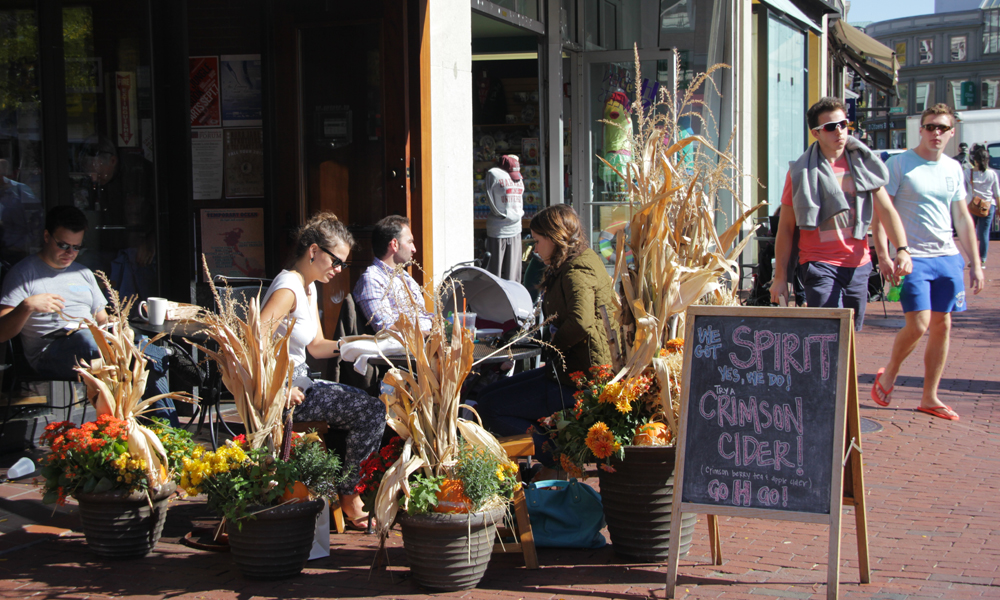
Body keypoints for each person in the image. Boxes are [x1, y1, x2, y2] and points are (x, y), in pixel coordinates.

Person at [260, 212, 386, 529]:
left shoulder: (308, 287)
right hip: (286, 394)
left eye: (343, 263)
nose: (339, 269)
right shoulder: (288, 288)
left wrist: (361, 344)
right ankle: (350, 495)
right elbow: (253, 342)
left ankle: (347, 490)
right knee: (371, 411)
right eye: (336, 261)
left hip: (303, 384)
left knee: (371, 403)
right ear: (314, 251)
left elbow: (316, 346)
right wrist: (279, 390)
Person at [0, 206, 177, 425]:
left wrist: (113, 323)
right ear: (46, 237)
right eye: (63, 245)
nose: (70, 253)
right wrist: (26, 306)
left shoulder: (82, 273)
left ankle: (166, 429)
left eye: (76, 247)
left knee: (139, 347)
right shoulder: (24, 274)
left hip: (93, 341)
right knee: (102, 345)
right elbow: (2, 332)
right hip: (50, 350)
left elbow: (102, 319)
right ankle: (160, 365)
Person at [870, 104, 985, 421]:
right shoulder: (899, 164)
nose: (936, 133)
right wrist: (884, 255)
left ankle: (929, 397)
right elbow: (881, 215)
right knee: (918, 324)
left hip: (947, 257)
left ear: (951, 133)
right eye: (931, 127)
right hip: (913, 258)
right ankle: (890, 371)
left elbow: (962, 217)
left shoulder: (953, 168)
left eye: (943, 128)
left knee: (942, 325)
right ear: (920, 130)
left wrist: (975, 263)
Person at [475, 205, 614, 466]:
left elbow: (581, 322)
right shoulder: (575, 262)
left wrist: (553, 346)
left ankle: (558, 456)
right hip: (569, 371)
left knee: (490, 407)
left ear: (553, 238)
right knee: (486, 395)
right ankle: (552, 449)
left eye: (538, 241)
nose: (536, 249)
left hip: (580, 380)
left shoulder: (576, 270)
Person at [771, 96, 912, 331]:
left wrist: (902, 249)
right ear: (816, 133)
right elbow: (785, 228)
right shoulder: (800, 172)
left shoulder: (863, 164)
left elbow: (887, 210)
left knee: (850, 335)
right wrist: (780, 277)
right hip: (819, 263)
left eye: (843, 124)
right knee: (827, 334)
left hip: (859, 264)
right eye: (830, 127)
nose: (839, 131)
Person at [353, 215, 432, 332]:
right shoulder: (372, 279)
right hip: (408, 343)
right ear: (394, 244)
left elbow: (422, 315)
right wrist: (424, 335)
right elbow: (386, 328)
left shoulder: (405, 277)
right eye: (410, 242)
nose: (414, 249)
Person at [484, 154, 525, 282]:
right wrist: (502, 215)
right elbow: (491, 200)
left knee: (513, 276)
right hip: (498, 229)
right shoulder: (494, 174)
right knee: (494, 276)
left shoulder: (518, 177)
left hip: (516, 229)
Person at [963, 145, 998, 269]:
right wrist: (999, 208)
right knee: (984, 233)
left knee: (971, 233)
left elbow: (963, 191)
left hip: (972, 206)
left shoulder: (968, 172)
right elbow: (997, 193)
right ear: (987, 160)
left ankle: (973, 259)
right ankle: (982, 260)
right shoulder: (992, 174)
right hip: (988, 206)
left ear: (975, 160)